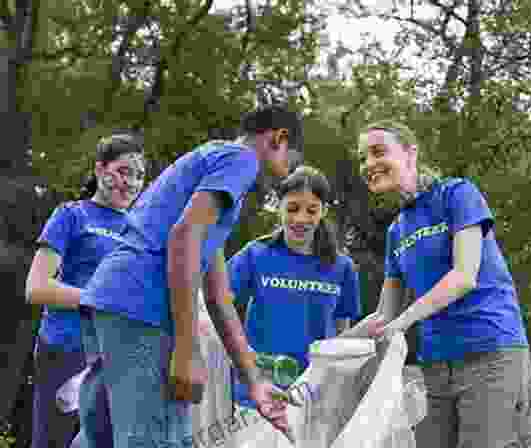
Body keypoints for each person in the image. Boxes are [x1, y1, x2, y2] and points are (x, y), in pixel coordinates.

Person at [77, 104, 304, 448]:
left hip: (109, 304)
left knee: (104, 438)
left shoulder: (207, 175)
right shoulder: (239, 160)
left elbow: (217, 297)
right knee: (158, 439)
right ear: (279, 138)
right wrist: (187, 349)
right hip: (143, 307)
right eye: (293, 161)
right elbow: (183, 237)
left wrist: (254, 381)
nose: (287, 173)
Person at [344, 120, 531, 447]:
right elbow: (384, 316)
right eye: (363, 158)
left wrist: (403, 322)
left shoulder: (456, 194)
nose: (368, 164)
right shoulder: (397, 231)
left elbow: (464, 276)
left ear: (410, 154)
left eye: (378, 152)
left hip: (491, 353)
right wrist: (329, 347)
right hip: (436, 367)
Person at [25, 134, 146, 448]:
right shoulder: (72, 215)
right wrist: (101, 300)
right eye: (122, 170)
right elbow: (36, 287)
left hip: (117, 361)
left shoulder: (142, 230)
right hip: (65, 350)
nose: (130, 182)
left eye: (138, 175)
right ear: (99, 169)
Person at [227, 165, 362, 408]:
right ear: (279, 206)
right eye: (292, 208)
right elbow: (216, 305)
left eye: (311, 210)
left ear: (324, 211)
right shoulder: (255, 255)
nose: (301, 218)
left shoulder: (343, 267)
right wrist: (243, 356)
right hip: (258, 394)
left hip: (316, 394)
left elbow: (341, 334)